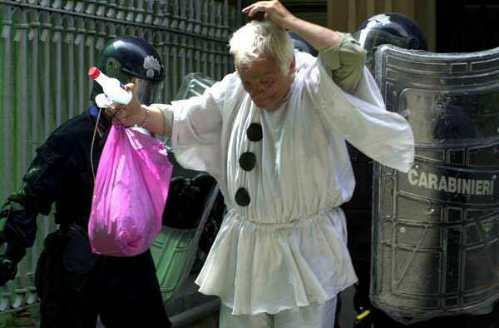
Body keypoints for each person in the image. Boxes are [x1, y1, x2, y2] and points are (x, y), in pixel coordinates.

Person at [114, 1, 415, 327]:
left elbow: (349, 54)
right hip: (248, 243)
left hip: (306, 246)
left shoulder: (315, 85)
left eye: (267, 81)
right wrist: (140, 114)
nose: (257, 92)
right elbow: (181, 117)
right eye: (249, 81)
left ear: (290, 66)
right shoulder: (232, 90)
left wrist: (289, 21)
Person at [0, 36, 171, 328]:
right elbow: (28, 199)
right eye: (136, 85)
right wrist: (8, 255)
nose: (141, 97)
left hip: (127, 258)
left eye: (147, 90)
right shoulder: (72, 137)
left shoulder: (144, 139)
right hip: (78, 259)